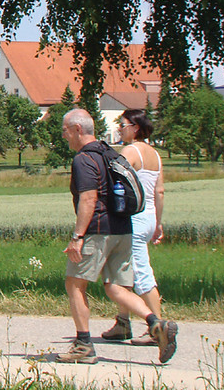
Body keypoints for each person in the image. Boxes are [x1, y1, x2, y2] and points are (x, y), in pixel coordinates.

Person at [58, 108, 178, 364]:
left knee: (75, 284)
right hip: (124, 227)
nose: (64, 136)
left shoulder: (83, 159)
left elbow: (89, 198)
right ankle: (156, 324)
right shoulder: (111, 153)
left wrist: (78, 236)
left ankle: (83, 346)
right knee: (115, 286)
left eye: (65, 131)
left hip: (98, 230)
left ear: (78, 129)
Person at [101, 109, 167, 346]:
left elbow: (114, 178)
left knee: (141, 274)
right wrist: (158, 223)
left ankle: (158, 327)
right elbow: (159, 191)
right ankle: (122, 322)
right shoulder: (156, 155)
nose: (120, 128)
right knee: (125, 270)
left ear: (135, 128)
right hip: (149, 217)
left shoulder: (131, 151)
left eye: (123, 124)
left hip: (134, 219)